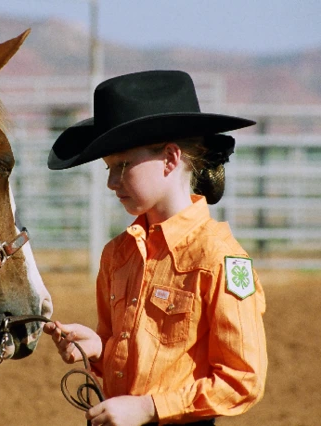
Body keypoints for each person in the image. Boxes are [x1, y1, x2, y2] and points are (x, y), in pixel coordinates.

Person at [44, 70, 267, 426]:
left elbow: (243, 379)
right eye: (108, 167)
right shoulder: (117, 254)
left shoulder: (221, 259)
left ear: (170, 158)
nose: (111, 182)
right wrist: (100, 348)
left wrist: (149, 407)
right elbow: (137, 352)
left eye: (122, 165)